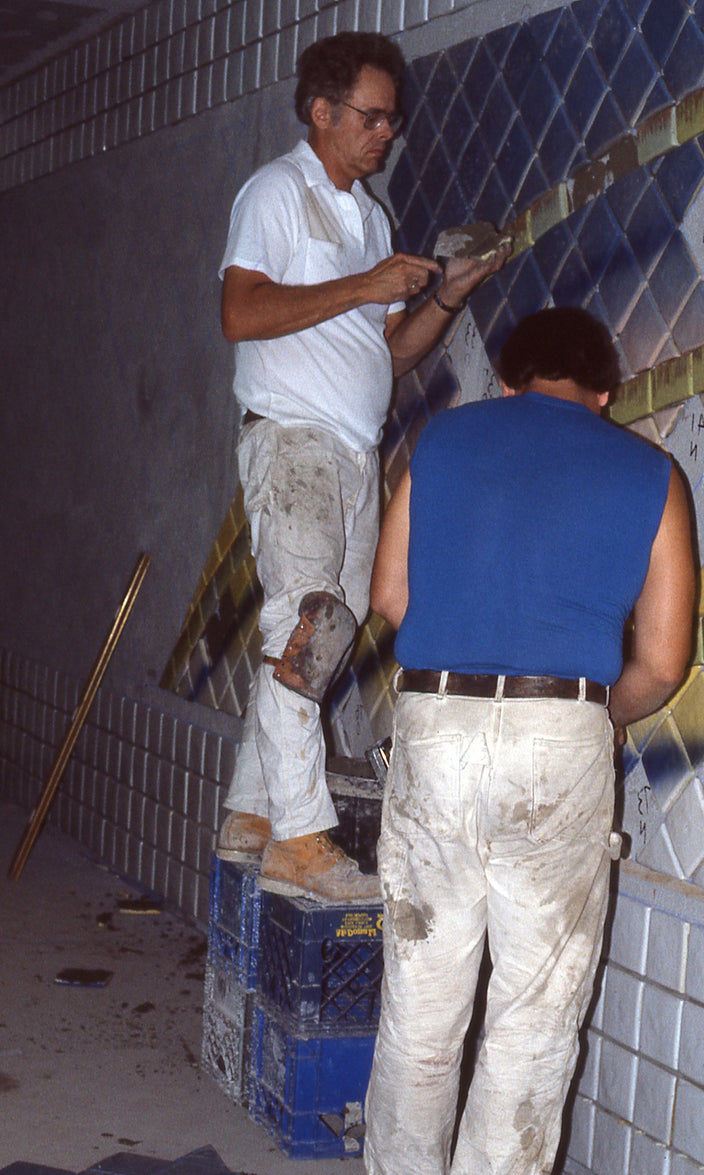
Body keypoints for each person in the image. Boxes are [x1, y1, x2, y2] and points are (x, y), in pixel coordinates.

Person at [355, 307, 696, 1175]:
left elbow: (387, 597)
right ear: (603, 392)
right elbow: (664, 659)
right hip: (560, 740)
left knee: (420, 994)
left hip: (434, 728)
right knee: (533, 1015)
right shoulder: (649, 473)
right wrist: (598, 719)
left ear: (509, 382)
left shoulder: (445, 439)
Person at [216, 31, 507, 901]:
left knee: (325, 639)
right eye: (373, 118)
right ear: (323, 112)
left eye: (393, 120)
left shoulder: (369, 217)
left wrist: (450, 292)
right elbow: (239, 311)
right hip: (293, 440)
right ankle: (303, 839)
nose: (389, 134)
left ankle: (252, 810)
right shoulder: (276, 191)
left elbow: (392, 354)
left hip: (350, 445)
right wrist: (361, 286)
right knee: (302, 630)